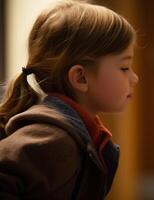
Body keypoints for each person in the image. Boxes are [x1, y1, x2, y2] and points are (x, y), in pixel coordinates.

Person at [0, 0, 139, 199]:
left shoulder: (81, 134)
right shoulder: (53, 138)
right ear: (80, 77)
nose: (135, 78)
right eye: (124, 68)